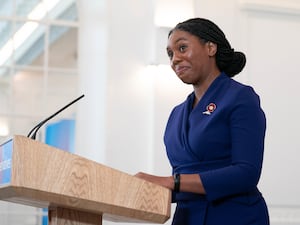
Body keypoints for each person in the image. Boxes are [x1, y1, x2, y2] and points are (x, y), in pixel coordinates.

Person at [135, 18, 269, 225]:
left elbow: (246, 173)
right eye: (170, 54)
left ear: (210, 47)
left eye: (182, 48)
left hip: (234, 216)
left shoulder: (240, 97)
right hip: (187, 218)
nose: (175, 59)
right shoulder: (176, 114)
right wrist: (136, 189)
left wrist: (172, 182)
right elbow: (183, 184)